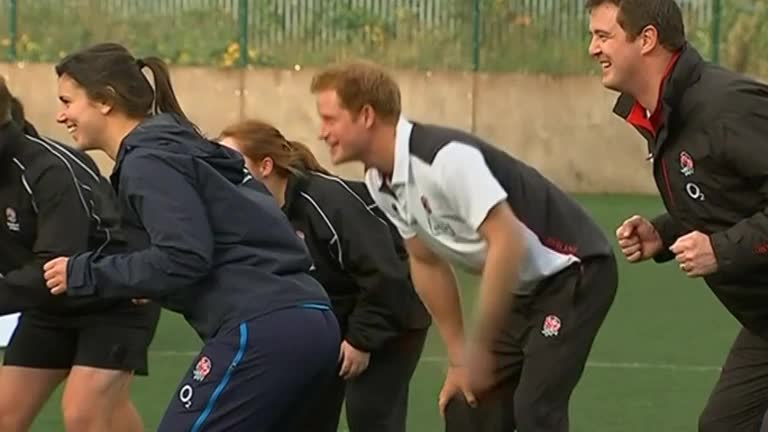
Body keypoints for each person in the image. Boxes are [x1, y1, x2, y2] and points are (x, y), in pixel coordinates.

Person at [40, 42, 340, 432]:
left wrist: (83, 273)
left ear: (105, 101)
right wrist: (147, 279)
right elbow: (214, 244)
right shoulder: (182, 146)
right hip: (314, 319)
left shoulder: (148, 160)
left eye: (67, 101)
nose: (61, 115)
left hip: (262, 327)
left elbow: (183, 256)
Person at [308, 62, 619, 431]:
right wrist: (460, 358)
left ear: (366, 115)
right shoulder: (380, 180)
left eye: (330, 119)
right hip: (523, 285)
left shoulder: (445, 159)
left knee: (535, 411)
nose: (321, 132)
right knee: (466, 406)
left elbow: (507, 241)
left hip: (575, 271)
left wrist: (481, 345)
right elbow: (425, 261)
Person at [588, 0, 768, 430]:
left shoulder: (727, 105)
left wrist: (720, 250)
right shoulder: (665, 114)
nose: (593, 48)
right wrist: (664, 232)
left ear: (646, 39)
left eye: (603, 35)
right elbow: (724, 196)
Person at [218, 119, 432, 432]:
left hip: (394, 310)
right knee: (304, 409)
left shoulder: (325, 203)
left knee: (371, 416)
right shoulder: (255, 214)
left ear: (265, 166)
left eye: (231, 162)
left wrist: (361, 341)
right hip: (336, 318)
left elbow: (386, 275)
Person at [0, 79, 160, 432]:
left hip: (113, 297)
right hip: (50, 308)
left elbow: (55, 267)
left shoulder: (47, 170)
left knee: (85, 413)